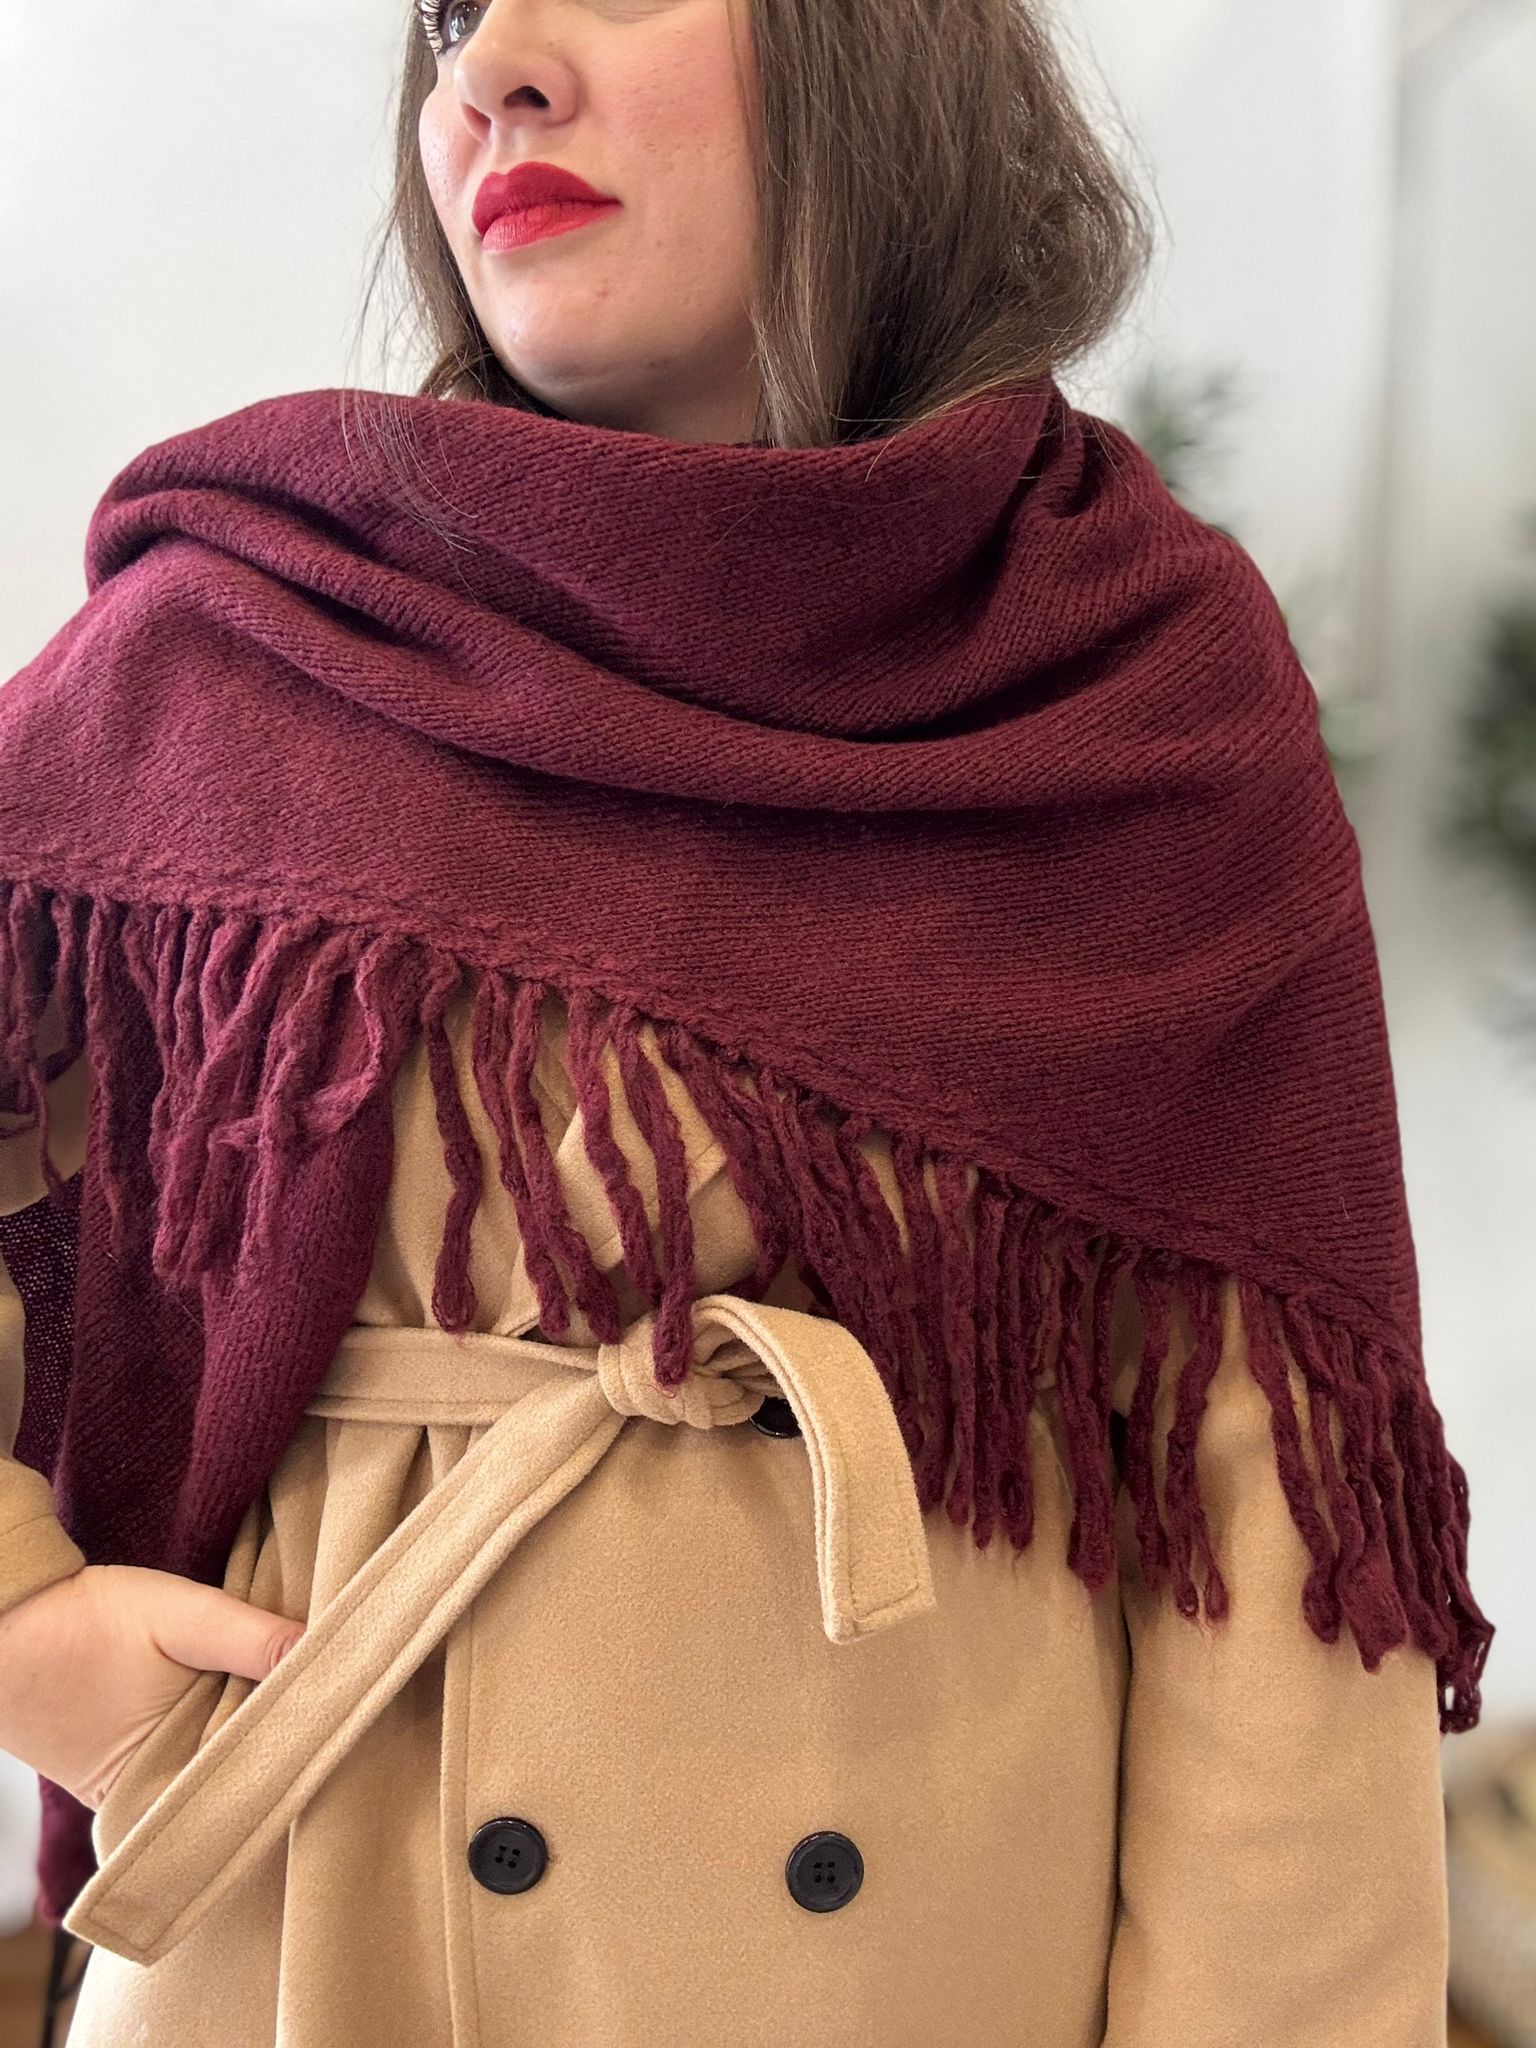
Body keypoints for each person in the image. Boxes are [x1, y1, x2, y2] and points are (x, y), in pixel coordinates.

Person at [0, 1, 1487, 2042]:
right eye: (450, 11)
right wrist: (24, 1623)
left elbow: (1275, 1524)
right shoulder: (245, 636)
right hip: (319, 1915)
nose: (489, 68)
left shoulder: (1144, 690)